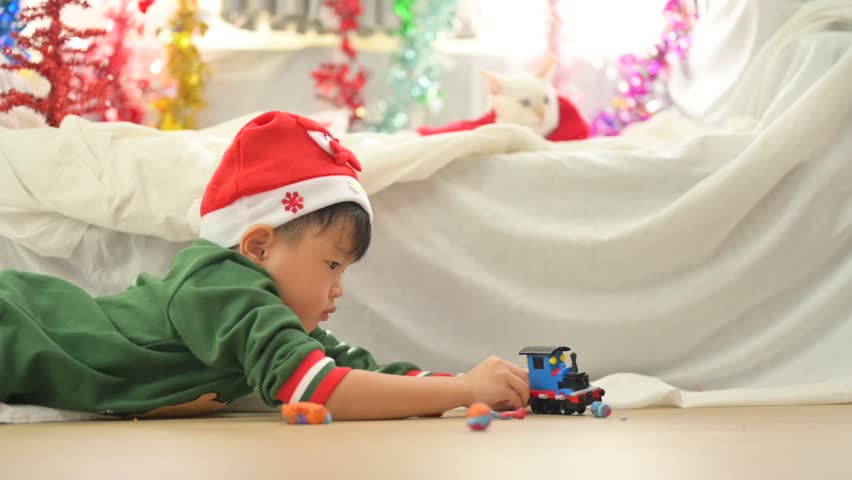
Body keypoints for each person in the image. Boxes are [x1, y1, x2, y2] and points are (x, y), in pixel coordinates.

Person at [0, 111, 529, 420]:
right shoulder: (219, 283)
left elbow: (354, 368)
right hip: (19, 323)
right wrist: (462, 391)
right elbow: (317, 386)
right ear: (257, 248)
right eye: (331, 265)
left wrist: (468, 384)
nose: (338, 289)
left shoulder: (266, 316)